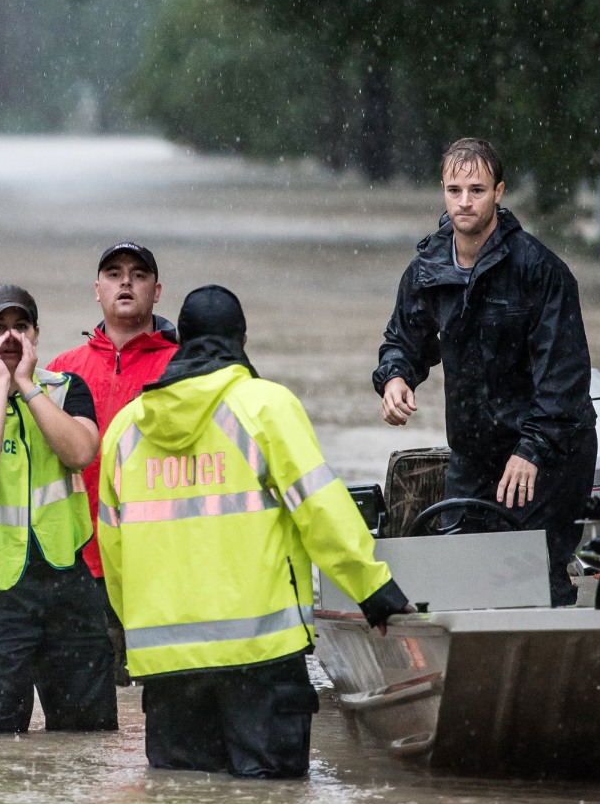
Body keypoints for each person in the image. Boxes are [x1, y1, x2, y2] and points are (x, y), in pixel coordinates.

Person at [97, 285, 412, 778]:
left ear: (180, 342)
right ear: (241, 341)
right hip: (262, 661)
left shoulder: (125, 429)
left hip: (168, 670)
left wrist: (138, 629)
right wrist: (373, 590)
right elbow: (321, 511)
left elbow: (114, 554)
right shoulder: (265, 408)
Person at [373, 138, 598, 606]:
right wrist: (396, 377)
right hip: (474, 454)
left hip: (549, 453)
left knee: (531, 583)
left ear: (499, 192)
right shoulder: (427, 268)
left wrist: (532, 449)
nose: (464, 202)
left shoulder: (540, 272)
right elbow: (404, 341)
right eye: (454, 190)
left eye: (476, 190)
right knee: (464, 580)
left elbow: (564, 378)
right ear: (442, 192)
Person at [0, 283, 117, 733]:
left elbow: (80, 453)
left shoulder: (67, 390)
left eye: (20, 327)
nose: (10, 338)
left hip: (67, 588)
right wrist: (0, 384)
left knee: (84, 743)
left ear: (36, 335)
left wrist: (28, 385)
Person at [47, 242, 178, 684]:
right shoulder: (61, 371)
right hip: (78, 565)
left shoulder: (183, 367)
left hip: (159, 564)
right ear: (97, 290)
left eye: (139, 275)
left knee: (154, 700)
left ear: (156, 291)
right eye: (115, 273)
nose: (127, 281)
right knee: (90, 713)